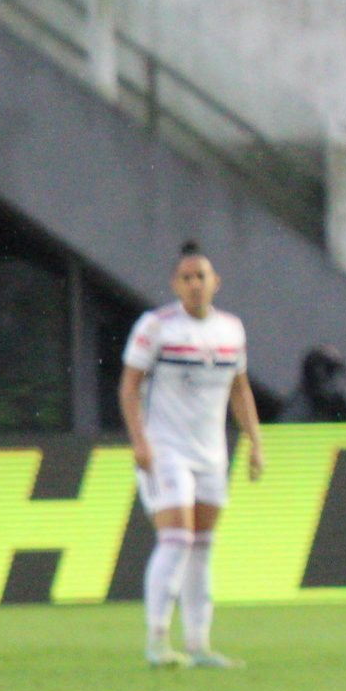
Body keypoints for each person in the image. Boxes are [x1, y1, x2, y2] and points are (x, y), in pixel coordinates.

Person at [117, 242, 264, 669]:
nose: (195, 284)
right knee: (177, 539)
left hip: (212, 455)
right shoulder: (156, 326)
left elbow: (240, 389)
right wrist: (140, 440)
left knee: (202, 546)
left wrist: (256, 442)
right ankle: (158, 641)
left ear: (215, 282)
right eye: (187, 278)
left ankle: (199, 645)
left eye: (202, 276)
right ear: (175, 285)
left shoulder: (231, 330)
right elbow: (129, 386)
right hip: (166, 450)